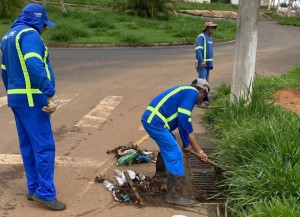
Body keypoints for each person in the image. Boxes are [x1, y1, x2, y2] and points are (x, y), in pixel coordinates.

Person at [1, 3, 66, 211]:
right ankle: (46, 193)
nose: (44, 29)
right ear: (37, 21)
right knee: (44, 146)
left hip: (17, 99)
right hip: (33, 99)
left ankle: (33, 187)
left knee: (28, 144)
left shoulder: (8, 36)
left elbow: (5, 71)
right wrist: (49, 92)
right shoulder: (30, 35)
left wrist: (12, 93)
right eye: (44, 25)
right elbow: (34, 64)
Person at [141, 78, 210, 207]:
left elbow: (188, 130)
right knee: (175, 153)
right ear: (202, 91)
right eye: (203, 97)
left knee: (170, 143)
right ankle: (174, 195)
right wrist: (185, 145)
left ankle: (161, 173)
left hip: (154, 121)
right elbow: (183, 119)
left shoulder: (185, 94)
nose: (200, 101)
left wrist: (200, 152)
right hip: (156, 122)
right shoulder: (192, 92)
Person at [195, 21, 217, 106]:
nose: (213, 29)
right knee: (201, 83)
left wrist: (210, 63)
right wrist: (201, 61)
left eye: (213, 27)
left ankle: (205, 98)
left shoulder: (209, 38)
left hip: (208, 65)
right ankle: (199, 101)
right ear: (207, 28)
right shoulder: (201, 37)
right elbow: (198, 50)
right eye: (211, 27)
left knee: (206, 83)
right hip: (202, 65)